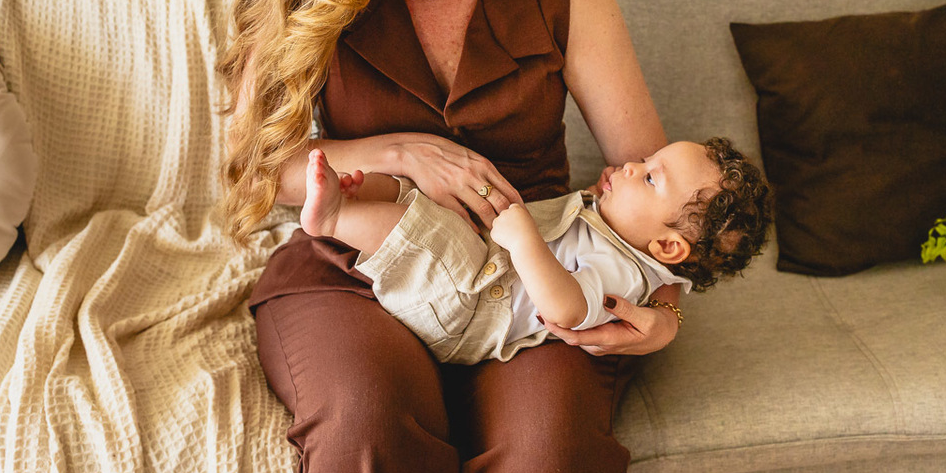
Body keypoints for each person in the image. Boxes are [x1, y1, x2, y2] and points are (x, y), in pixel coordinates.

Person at [221, 0, 682, 473]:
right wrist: (400, 153)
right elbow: (256, 169)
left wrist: (663, 316)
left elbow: (656, 173)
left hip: (536, 283)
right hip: (360, 269)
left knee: (550, 457)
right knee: (366, 428)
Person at [298, 138, 773, 365]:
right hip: (476, 273)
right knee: (411, 200)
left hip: (470, 312)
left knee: (424, 233)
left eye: (649, 177)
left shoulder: (625, 273)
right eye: (646, 160)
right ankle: (360, 195)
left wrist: (525, 239)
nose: (630, 165)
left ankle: (333, 218)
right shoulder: (617, 228)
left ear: (667, 245)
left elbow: (568, 309)